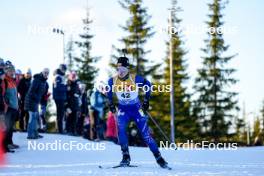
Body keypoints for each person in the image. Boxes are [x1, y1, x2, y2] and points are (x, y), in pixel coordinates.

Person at [107, 56, 168, 168]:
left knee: (145, 134)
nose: (120, 71)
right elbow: (109, 92)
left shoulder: (134, 78)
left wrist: (146, 101)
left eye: (122, 68)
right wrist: (110, 104)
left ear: (127, 69)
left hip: (137, 108)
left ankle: (159, 157)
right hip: (123, 108)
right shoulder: (113, 80)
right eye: (118, 68)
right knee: (121, 131)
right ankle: (125, 156)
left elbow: (148, 85)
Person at [25, 68, 49, 139]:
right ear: (42, 72)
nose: (46, 74)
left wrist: (43, 98)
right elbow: (31, 92)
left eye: (47, 73)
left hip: (36, 101)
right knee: (32, 117)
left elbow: (41, 93)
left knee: (35, 117)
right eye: (45, 72)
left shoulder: (44, 81)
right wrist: (38, 98)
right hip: (30, 100)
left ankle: (35, 133)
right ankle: (30, 134)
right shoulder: (37, 79)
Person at [3, 63, 19, 151]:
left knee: (11, 127)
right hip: (8, 108)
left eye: (12, 70)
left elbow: (15, 95)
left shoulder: (12, 81)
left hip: (14, 107)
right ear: (6, 71)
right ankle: (6, 144)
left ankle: (10, 142)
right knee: (7, 127)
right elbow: (3, 94)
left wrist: (17, 105)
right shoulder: (4, 80)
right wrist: (6, 104)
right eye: (9, 70)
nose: (12, 72)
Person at [53, 64, 67, 134]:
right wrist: (65, 87)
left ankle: (60, 129)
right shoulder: (58, 76)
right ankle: (59, 129)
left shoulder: (62, 76)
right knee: (60, 113)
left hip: (62, 97)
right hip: (58, 97)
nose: (64, 71)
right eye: (63, 69)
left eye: (65, 69)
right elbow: (57, 87)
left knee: (61, 113)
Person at [65, 71, 81, 136]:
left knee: (75, 118)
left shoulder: (76, 84)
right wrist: (66, 106)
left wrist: (77, 94)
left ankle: (73, 131)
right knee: (69, 118)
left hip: (75, 104)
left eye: (74, 75)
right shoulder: (68, 84)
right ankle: (68, 130)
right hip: (69, 104)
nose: (73, 77)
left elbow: (79, 93)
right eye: (72, 75)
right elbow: (66, 94)